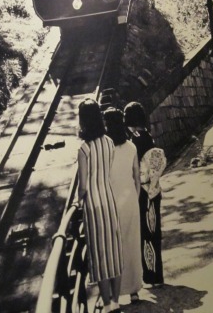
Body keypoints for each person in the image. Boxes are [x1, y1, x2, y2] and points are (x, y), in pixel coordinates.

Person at [77, 98, 123, 313]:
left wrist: (79, 200)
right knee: (114, 250)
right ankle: (116, 300)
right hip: (109, 199)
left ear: (83, 120)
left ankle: (106, 304)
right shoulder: (109, 142)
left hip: (93, 205)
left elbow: (83, 186)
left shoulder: (84, 149)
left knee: (99, 253)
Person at [103, 107, 143, 304]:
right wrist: (135, 198)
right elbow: (137, 177)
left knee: (114, 248)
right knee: (132, 245)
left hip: (111, 202)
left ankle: (115, 294)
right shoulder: (132, 147)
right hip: (130, 202)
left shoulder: (104, 149)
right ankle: (134, 290)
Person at [124, 101, 165, 286]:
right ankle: (157, 275)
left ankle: (151, 275)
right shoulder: (147, 135)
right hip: (154, 190)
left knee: (146, 235)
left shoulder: (135, 140)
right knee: (154, 232)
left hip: (142, 192)